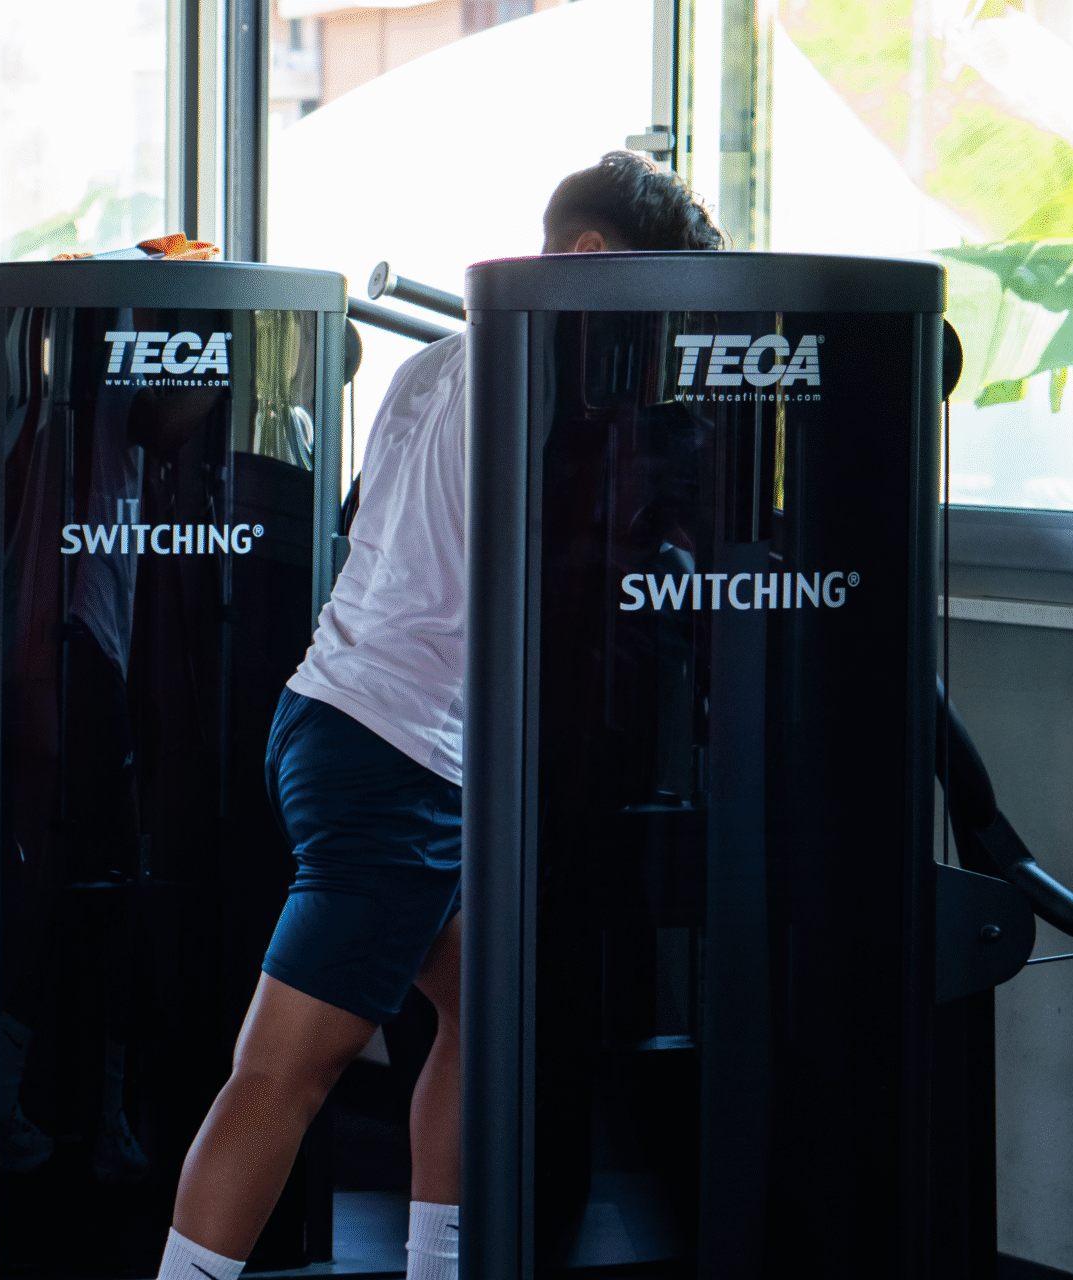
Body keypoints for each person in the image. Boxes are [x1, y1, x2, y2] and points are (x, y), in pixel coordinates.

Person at [153, 151, 726, 1280]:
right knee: (284, 1068)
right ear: (590, 261)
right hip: (396, 754)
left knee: (484, 1011)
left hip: (337, 721)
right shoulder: (545, 384)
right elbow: (570, 585)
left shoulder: (440, 366)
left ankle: (436, 1264)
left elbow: (385, 535)